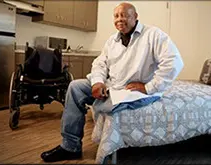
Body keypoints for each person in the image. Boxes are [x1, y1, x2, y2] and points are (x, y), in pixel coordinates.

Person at [41, 2, 184, 162]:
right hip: (111, 86)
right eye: (116, 16)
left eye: (125, 15)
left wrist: (149, 87)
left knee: (109, 106)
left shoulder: (153, 35)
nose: (119, 19)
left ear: (135, 17)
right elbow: (100, 63)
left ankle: (109, 145)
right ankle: (70, 146)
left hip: (133, 92)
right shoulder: (112, 41)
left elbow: (174, 62)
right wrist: (97, 82)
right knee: (75, 87)